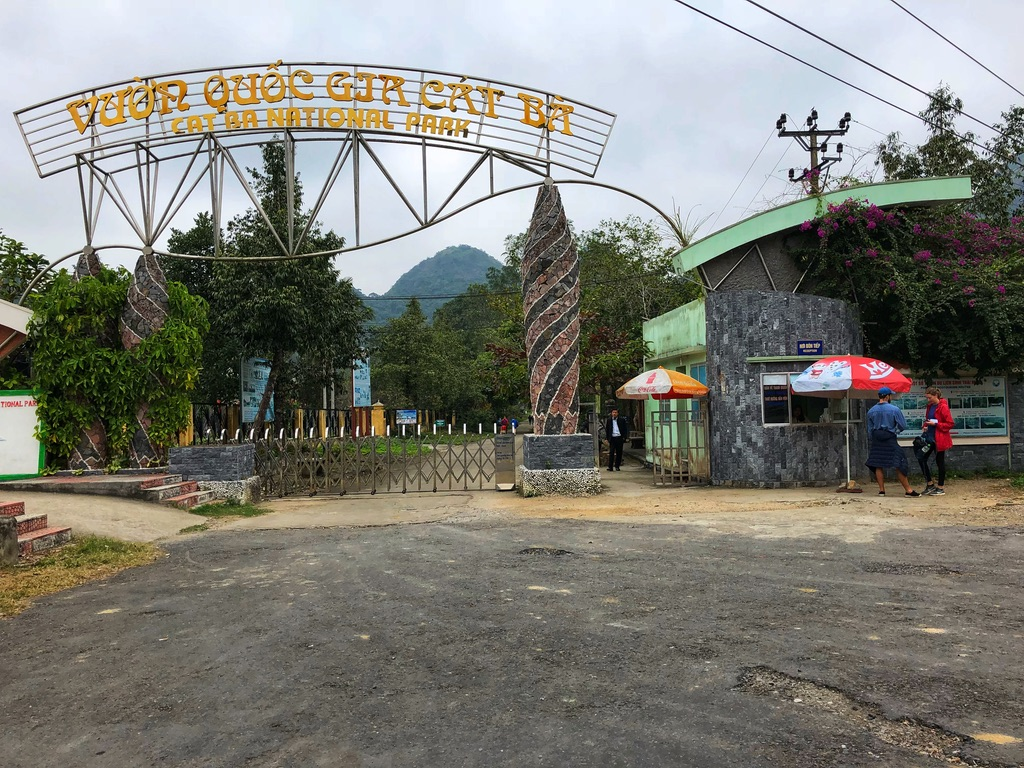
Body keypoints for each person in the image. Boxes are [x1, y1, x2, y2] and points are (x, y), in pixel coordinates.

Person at [865, 386, 920, 496]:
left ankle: (881, 490)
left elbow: (869, 429)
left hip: (877, 438)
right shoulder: (894, 409)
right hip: (889, 437)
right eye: (890, 395)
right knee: (899, 462)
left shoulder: (871, 411)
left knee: (877, 463)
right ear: (887, 397)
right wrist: (895, 431)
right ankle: (908, 490)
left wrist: (874, 438)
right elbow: (902, 425)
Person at [916, 386, 954, 495]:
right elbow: (928, 419)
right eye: (927, 398)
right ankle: (930, 484)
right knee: (921, 458)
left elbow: (950, 424)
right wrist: (925, 425)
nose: (928, 400)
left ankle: (940, 487)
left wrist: (936, 424)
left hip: (939, 439)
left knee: (939, 462)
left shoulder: (943, 407)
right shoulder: (930, 406)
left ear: (936, 396)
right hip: (929, 437)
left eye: (930, 398)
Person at [604, 407, 628, 472]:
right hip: (612, 438)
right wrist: (607, 438)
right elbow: (607, 429)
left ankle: (617, 466)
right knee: (611, 452)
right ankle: (610, 467)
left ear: (617, 413)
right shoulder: (609, 420)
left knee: (619, 453)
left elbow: (625, 429)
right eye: (613, 412)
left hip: (619, 438)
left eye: (615, 412)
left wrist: (624, 437)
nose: (614, 414)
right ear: (611, 413)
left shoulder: (622, 420)